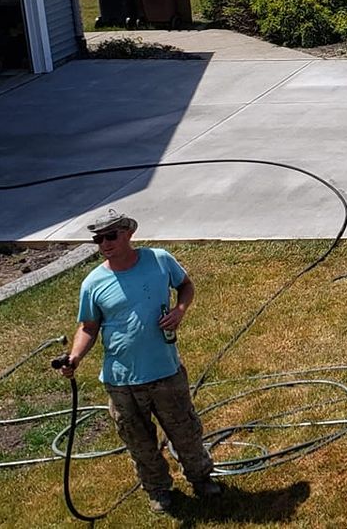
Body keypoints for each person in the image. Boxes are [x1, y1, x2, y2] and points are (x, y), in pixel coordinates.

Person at [60, 211, 223, 513]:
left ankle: (201, 480)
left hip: (165, 372)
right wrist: (75, 357)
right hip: (121, 380)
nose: (104, 243)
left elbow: (185, 285)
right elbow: (87, 327)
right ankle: (159, 491)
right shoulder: (93, 283)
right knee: (139, 443)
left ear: (128, 234)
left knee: (185, 432)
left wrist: (180, 311)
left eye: (111, 236)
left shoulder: (159, 260)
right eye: (98, 239)